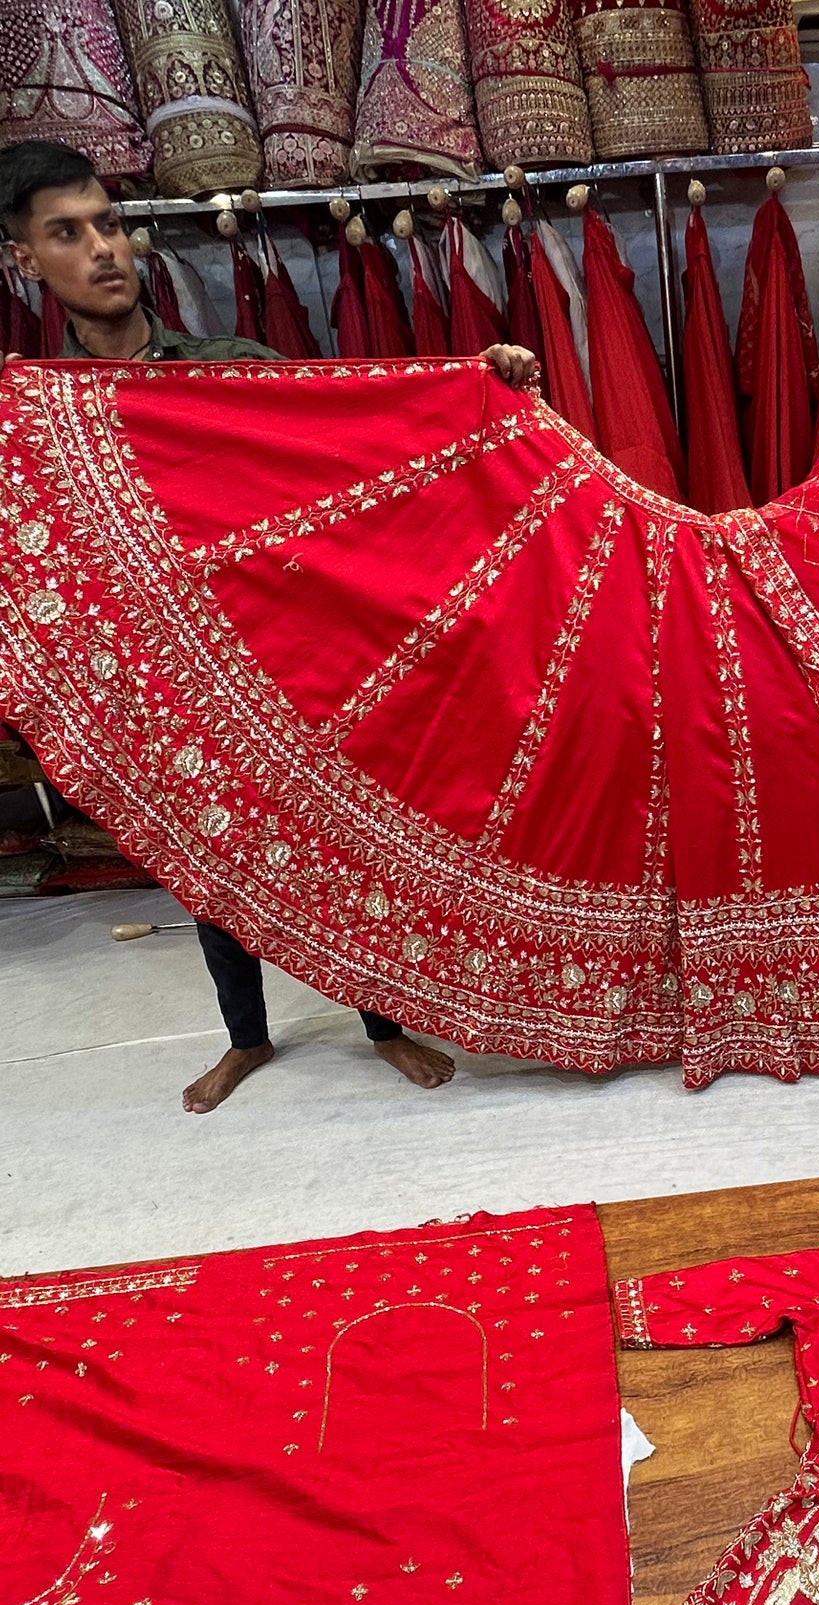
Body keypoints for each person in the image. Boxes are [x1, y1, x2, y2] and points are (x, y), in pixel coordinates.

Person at [0, 137, 540, 1113]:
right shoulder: (36, 415)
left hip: (291, 668)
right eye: (67, 235)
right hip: (167, 686)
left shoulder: (226, 370)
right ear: (24, 261)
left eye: (111, 226)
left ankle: (382, 1022)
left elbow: (352, 448)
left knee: (345, 851)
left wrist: (475, 385)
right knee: (209, 873)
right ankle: (244, 1039)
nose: (104, 251)